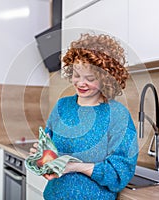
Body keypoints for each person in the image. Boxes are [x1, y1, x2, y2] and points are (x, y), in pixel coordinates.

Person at [30, 33, 138, 199]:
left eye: (90, 78)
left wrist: (74, 166)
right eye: (76, 75)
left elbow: (119, 173)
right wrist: (41, 154)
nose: (80, 83)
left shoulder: (118, 115)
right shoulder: (62, 106)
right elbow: (49, 145)